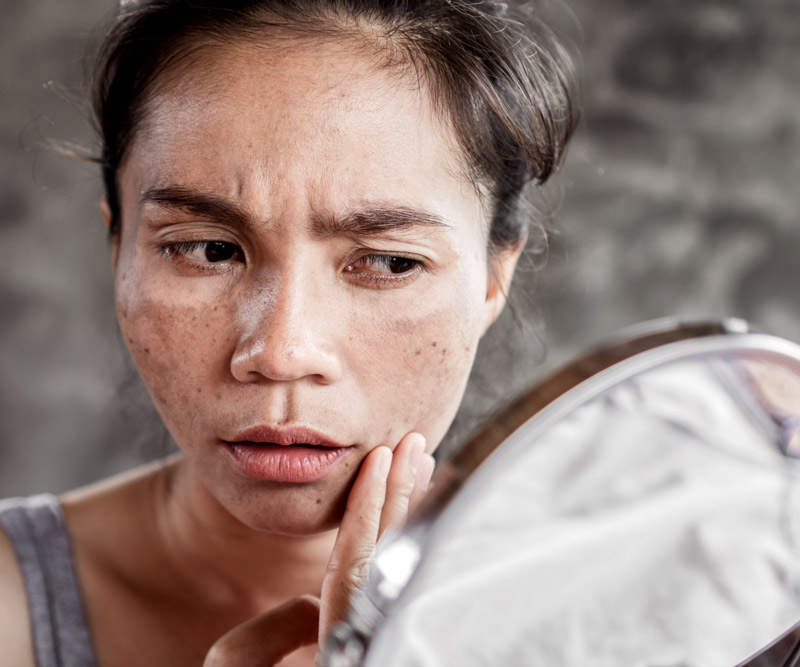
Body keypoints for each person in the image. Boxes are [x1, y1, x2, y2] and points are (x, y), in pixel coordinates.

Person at [0, 1, 577, 665]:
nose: (279, 353)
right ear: (118, 246)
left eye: (389, 261)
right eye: (208, 250)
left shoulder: (635, 622)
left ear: (490, 280)